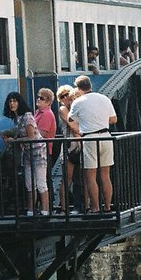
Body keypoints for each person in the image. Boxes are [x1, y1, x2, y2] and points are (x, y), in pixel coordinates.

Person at [66, 75, 117, 214]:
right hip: (106, 137)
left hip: (89, 138)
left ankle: (95, 208)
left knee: (90, 175)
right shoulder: (104, 98)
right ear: (90, 85)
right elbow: (114, 119)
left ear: (78, 88)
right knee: (105, 175)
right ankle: (107, 207)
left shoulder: (78, 102)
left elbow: (70, 119)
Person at [0, 91, 49, 216]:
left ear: (19, 102)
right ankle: (31, 210)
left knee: (41, 183)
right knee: (29, 183)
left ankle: (45, 210)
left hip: (38, 151)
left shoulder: (27, 116)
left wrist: (14, 140)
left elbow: (31, 137)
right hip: (27, 152)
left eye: (14, 101)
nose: (12, 103)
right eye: (10, 101)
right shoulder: (17, 118)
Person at [55, 85, 81, 214]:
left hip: (79, 144)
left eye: (67, 95)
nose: (65, 98)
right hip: (70, 145)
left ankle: (82, 206)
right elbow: (73, 125)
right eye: (62, 96)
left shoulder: (77, 107)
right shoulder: (63, 109)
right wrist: (78, 134)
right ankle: (64, 208)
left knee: (82, 179)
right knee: (67, 178)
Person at [35, 88, 58, 210]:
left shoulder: (47, 114)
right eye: (38, 97)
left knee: (44, 180)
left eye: (42, 98)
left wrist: (27, 132)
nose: (38, 99)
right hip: (38, 150)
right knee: (41, 179)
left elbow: (42, 133)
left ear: (48, 102)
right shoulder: (38, 113)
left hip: (43, 151)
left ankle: (47, 207)